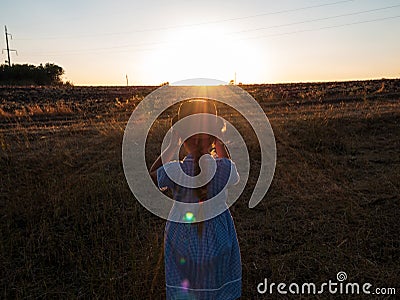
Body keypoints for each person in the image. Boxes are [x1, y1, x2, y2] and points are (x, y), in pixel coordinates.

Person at [149, 99, 242, 300]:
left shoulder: (175, 171)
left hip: (180, 237)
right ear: (214, 137)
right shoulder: (225, 169)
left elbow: (153, 173)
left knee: (185, 284)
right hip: (218, 235)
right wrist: (219, 143)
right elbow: (231, 170)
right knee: (217, 282)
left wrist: (173, 144)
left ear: (183, 137)